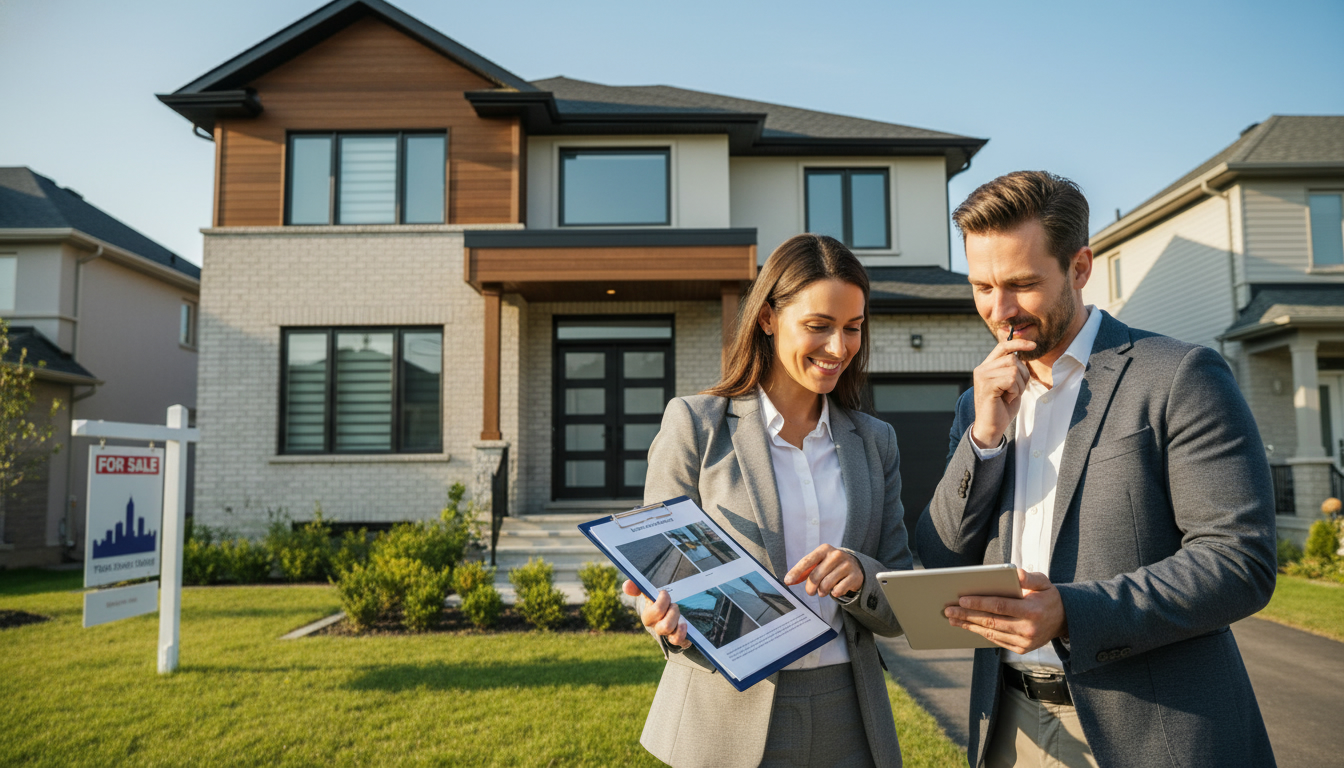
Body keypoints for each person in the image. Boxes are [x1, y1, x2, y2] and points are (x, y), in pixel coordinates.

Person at [917, 171, 1277, 768]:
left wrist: (1070, 613)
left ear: (1080, 267)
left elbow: (1239, 560)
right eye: (982, 286)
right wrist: (982, 438)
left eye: (1022, 284)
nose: (999, 311)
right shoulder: (976, 403)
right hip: (1009, 725)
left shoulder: (1179, 376)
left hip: (1155, 734)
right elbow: (943, 555)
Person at [621, 233, 913, 768]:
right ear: (767, 319)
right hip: (722, 715)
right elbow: (654, 567)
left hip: (848, 711)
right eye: (818, 326)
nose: (838, 348)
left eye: (852, 328)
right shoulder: (695, 425)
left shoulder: (876, 442)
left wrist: (860, 576)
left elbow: (897, 597)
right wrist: (653, 612)